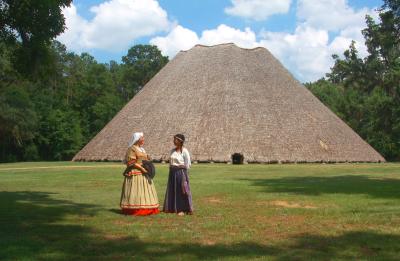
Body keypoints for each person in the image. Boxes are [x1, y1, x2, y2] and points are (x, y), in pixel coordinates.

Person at [120, 132, 159, 216]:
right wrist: (141, 168)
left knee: (145, 191)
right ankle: (134, 209)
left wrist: (148, 166)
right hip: (135, 172)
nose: (143, 139)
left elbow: (146, 159)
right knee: (136, 190)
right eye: (142, 138)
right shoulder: (132, 149)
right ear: (137, 139)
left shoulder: (142, 149)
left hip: (144, 172)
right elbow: (131, 162)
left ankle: (148, 208)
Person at [163, 134, 193, 215]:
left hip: (181, 173)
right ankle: (171, 207)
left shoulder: (185, 151)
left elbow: (188, 164)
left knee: (182, 190)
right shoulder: (172, 151)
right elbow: (170, 162)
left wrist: (185, 174)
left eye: (175, 139)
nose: (174, 141)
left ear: (180, 141)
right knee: (172, 189)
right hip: (172, 173)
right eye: (174, 139)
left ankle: (182, 209)